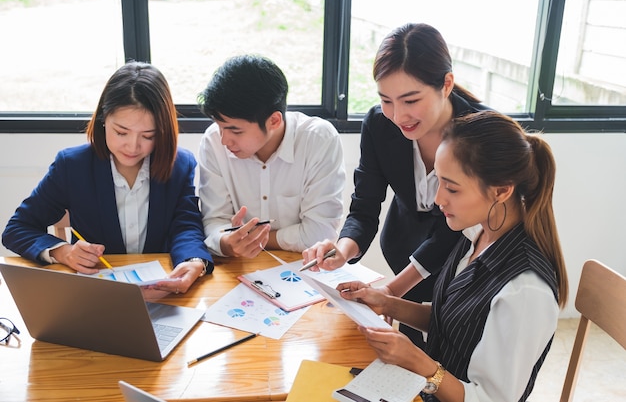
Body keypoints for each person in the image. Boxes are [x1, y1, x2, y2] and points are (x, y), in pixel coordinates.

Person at [337, 110, 569, 402]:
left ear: (501, 191)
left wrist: (418, 362)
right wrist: (387, 303)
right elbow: (452, 322)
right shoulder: (477, 234)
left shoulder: (524, 292)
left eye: (452, 188)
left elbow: (490, 399)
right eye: (439, 181)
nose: (438, 199)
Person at [302, 23, 489, 345]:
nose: (398, 115)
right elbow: (365, 205)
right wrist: (342, 249)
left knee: (452, 357)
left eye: (410, 100)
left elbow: (453, 233)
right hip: (403, 250)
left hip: (461, 265)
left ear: (446, 84)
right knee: (411, 353)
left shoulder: (481, 133)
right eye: (386, 100)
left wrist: (390, 292)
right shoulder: (378, 124)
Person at [2, 61, 213, 296]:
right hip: (96, 294)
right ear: (103, 119)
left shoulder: (180, 165)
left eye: (148, 135)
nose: (133, 146)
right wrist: (63, 251)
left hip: (162, 292)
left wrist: (195, 261)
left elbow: (186, 226)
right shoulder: (73, 166)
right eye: (121, 132)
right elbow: (17, 229)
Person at [197, 54, 345, 258]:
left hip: (301, 267)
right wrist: (226, 242)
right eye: (219, 126)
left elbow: (319, 234)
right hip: (237, 266)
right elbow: (214, 220)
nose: (224, 140)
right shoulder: (213, 141)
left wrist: (253, 239)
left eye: (236, 131)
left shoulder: (318, 140)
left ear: (274, 121)